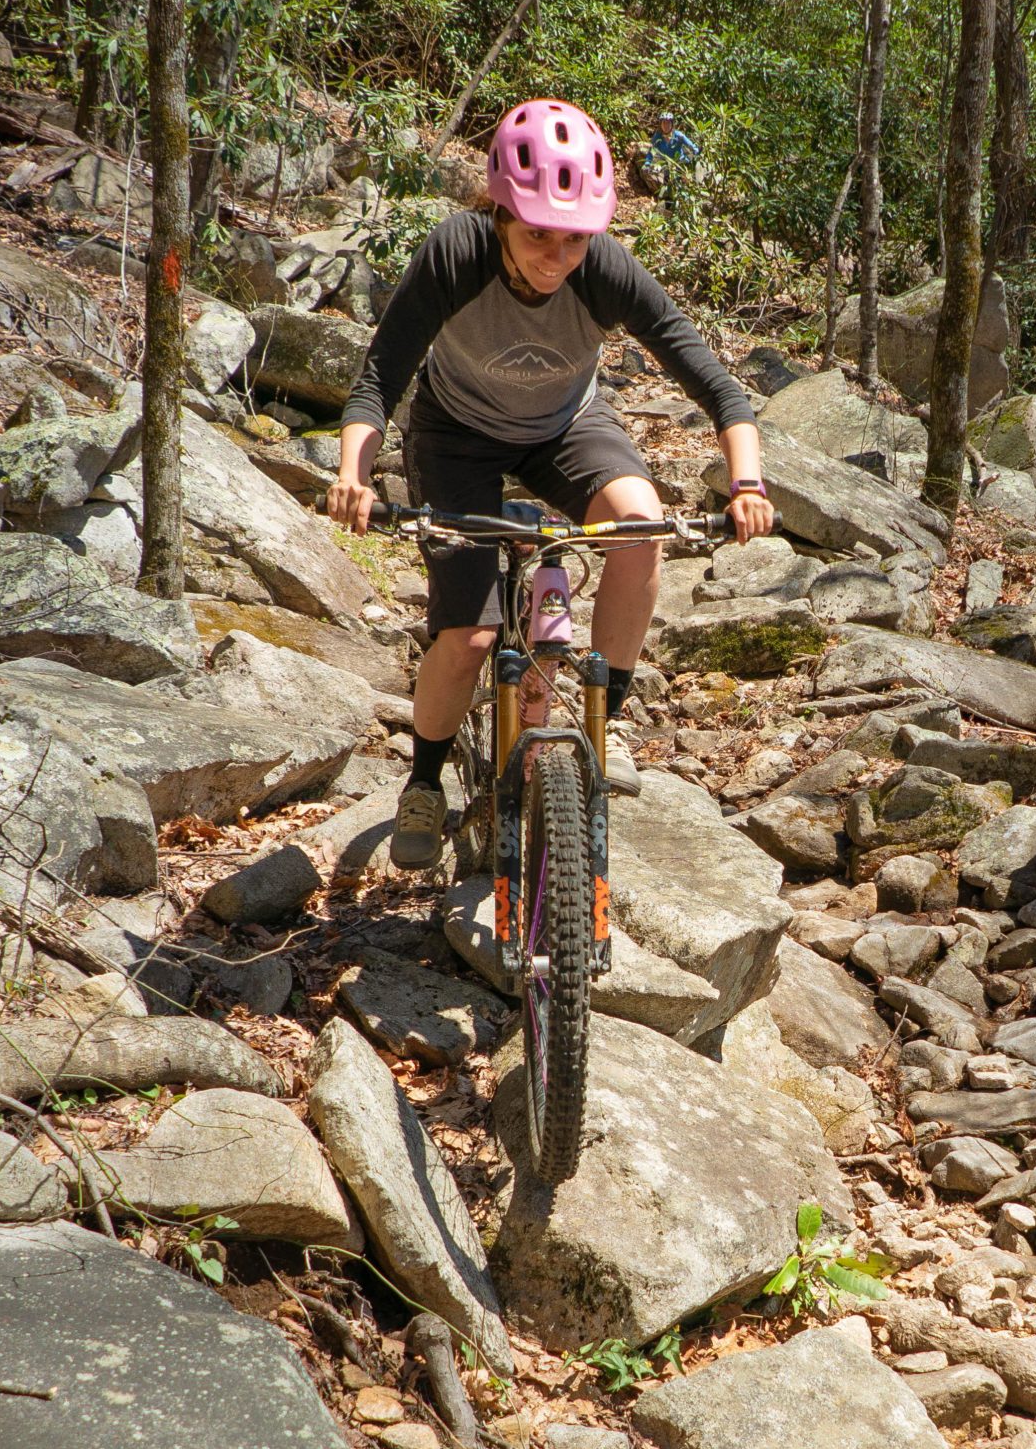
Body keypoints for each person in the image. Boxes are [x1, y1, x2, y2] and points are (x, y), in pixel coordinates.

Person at [327, 97, 774, 870]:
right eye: (538, 234)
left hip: (564, 428)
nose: (556, 256)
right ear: (499, 212)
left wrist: (747, 484)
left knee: (641, 527)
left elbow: (719, 388)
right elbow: (377, 380)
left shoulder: (603, 268)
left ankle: (601, 726)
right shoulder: (454, 255)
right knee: (468, 635)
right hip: (455, 433)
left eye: (574, 239)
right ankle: (426, 782)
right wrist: (352, 477)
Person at [640, 108, 701, 191]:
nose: (666, 125)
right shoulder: (658, 137)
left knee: (682, 185)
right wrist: (647, 163)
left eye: (668, 123)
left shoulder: (678, 136)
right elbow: (651, 151)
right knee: (667, 186)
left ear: (672, 124)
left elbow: (691, 145)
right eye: (664, 123)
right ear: (660, 124)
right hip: (667, 166)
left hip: (680, 163)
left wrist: (697, 150)